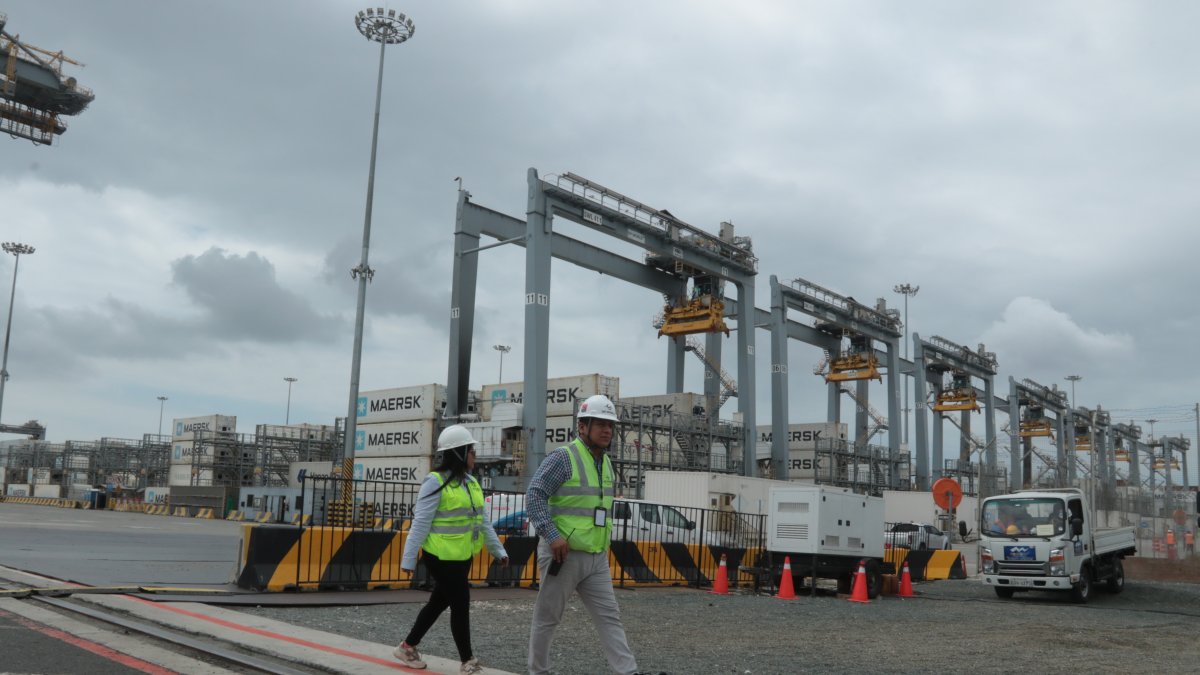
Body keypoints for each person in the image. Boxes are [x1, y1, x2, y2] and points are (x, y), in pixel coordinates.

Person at [526, 394, 654, 675]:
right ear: (582, 426)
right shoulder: (564, 457)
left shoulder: (606, 463)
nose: (607, 430)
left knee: (610, 617)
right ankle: (539, 671)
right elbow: (534, 495)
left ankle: (627, 672)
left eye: (610, 425)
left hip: (596, 557)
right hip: (564, 554)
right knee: (548, 617)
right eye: (600, 424)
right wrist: (552, 534)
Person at [394, 425, 508, 675]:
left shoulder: (471, 483)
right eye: (471, 451)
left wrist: (498, 551)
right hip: (439, 556)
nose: (474, 457)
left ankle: (407, 646)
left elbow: (483, 522)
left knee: (438, 602)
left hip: (462, 555)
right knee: (460, 601)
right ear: (459, 453)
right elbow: (420, 523)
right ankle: (468, 660)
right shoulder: (434, 482)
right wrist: (409, 559)